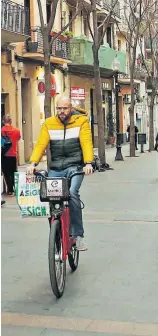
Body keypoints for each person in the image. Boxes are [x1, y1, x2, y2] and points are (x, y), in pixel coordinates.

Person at [26, 96, 94, 251]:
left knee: (72, 193)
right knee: (50, 197)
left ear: (71, 108)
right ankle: (56, 232)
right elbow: (41, 144)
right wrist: (32, 163)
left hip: (75, 167)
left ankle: (78, 236)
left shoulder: (81, 121)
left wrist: (88, 163)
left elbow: (86, 142)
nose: (61, 112)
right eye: (59, 109)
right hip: (56, 168)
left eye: (64, 108)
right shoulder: (49, 123)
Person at [1, 115, 21, 196]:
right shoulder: (17, 131)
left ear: (3, 121)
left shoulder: (1, 131)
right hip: (13, 154)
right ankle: (15, 188)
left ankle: (9, 190)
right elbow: (18, 138)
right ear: (11, 121)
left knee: (6, 173)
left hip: (4, 155)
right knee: (13, 172)